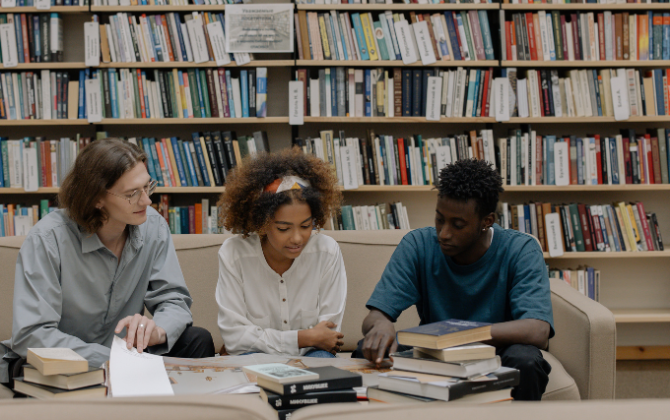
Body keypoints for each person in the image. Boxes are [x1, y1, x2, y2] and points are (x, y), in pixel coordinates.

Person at [0, 138, 215, 387]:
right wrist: (115, 360)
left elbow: (174, 299)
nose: (146, 201)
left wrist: (158, 330)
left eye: (147, 187)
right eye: (132, 194)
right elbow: (32, 334)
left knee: (197, 339)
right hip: (63, 359)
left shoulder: (152, 226)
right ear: (96, 198)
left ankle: (169, 418)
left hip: (124, 353)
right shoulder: (47, 239)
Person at [354, 159, 554, 401]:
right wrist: (382, 324)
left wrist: (460, 334)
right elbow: (374, 317)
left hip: (497, 352)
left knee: (526, 360)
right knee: (365, 348)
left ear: (486, 222)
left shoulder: (521, 249)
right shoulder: (418, 245)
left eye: (458, 225)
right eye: (439, 219)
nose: (444, 233)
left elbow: (537, 330)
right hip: (436, 352)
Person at [215, 149, 347, 357]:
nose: (297, 238)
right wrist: (303, 338)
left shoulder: (327, 252)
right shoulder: (234, 254)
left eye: (306, 226)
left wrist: (309, 340)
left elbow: (328, 336)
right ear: (262, 223)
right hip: (255, 356)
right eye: (284, 228)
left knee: (323, 362)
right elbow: (235, 338)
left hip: (313, 354)